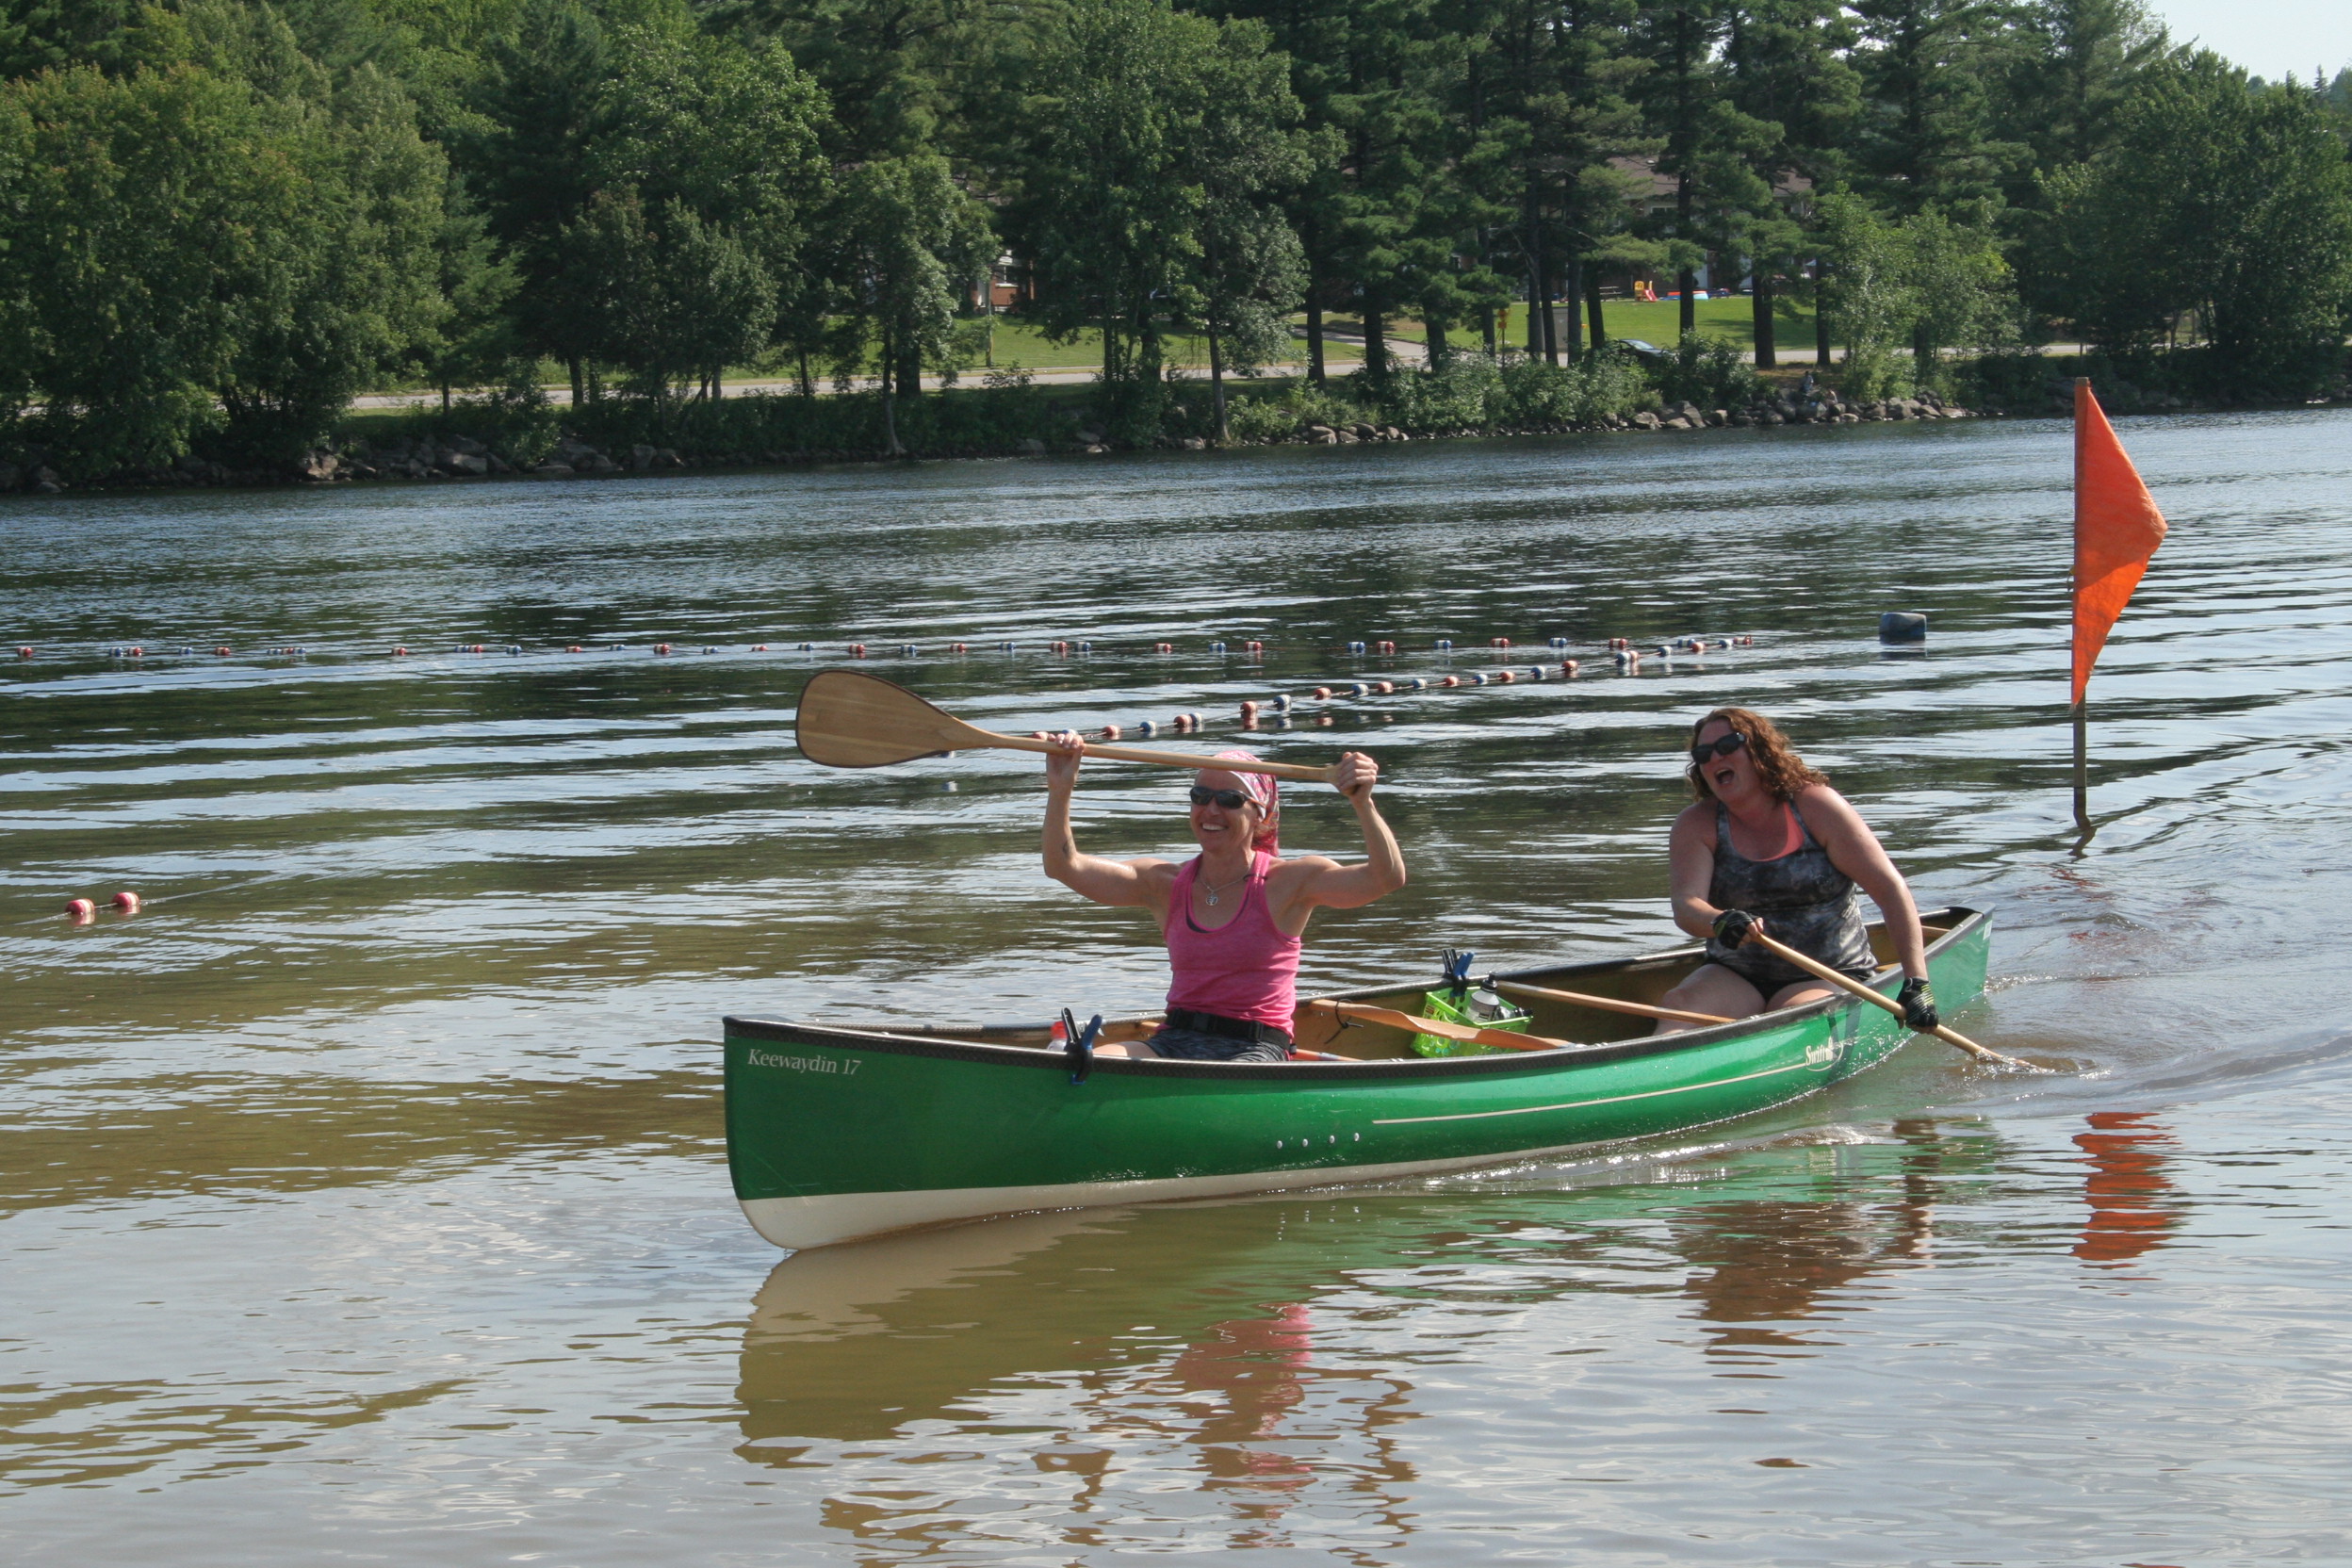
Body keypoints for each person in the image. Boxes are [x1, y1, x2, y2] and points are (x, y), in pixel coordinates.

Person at [1040, 737, 1406, 1061]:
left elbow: (1385, 878)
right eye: (1200, 797)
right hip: (1174, 1039)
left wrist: (1362, 802)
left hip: (1255, 1047)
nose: (1211, 810)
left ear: (1260, 815)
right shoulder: (1164, 883)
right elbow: (1063, 866)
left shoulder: (1289, 881)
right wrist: (1060, 789)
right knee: (1090, 1064)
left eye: (1230, 800)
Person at [1656, 707, 1940, 1034]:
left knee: (1792, 1015)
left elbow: (1890, 890)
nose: (1715, 758)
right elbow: (1687, 906)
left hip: (1828, 972)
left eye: (1728, 745)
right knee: (1678, 1004)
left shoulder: (1816, 806)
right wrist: (1719, 920)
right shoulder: (1696, 824)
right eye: (1703, 754)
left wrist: (1917, 982)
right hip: (1735, 974)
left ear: (1759, 751)